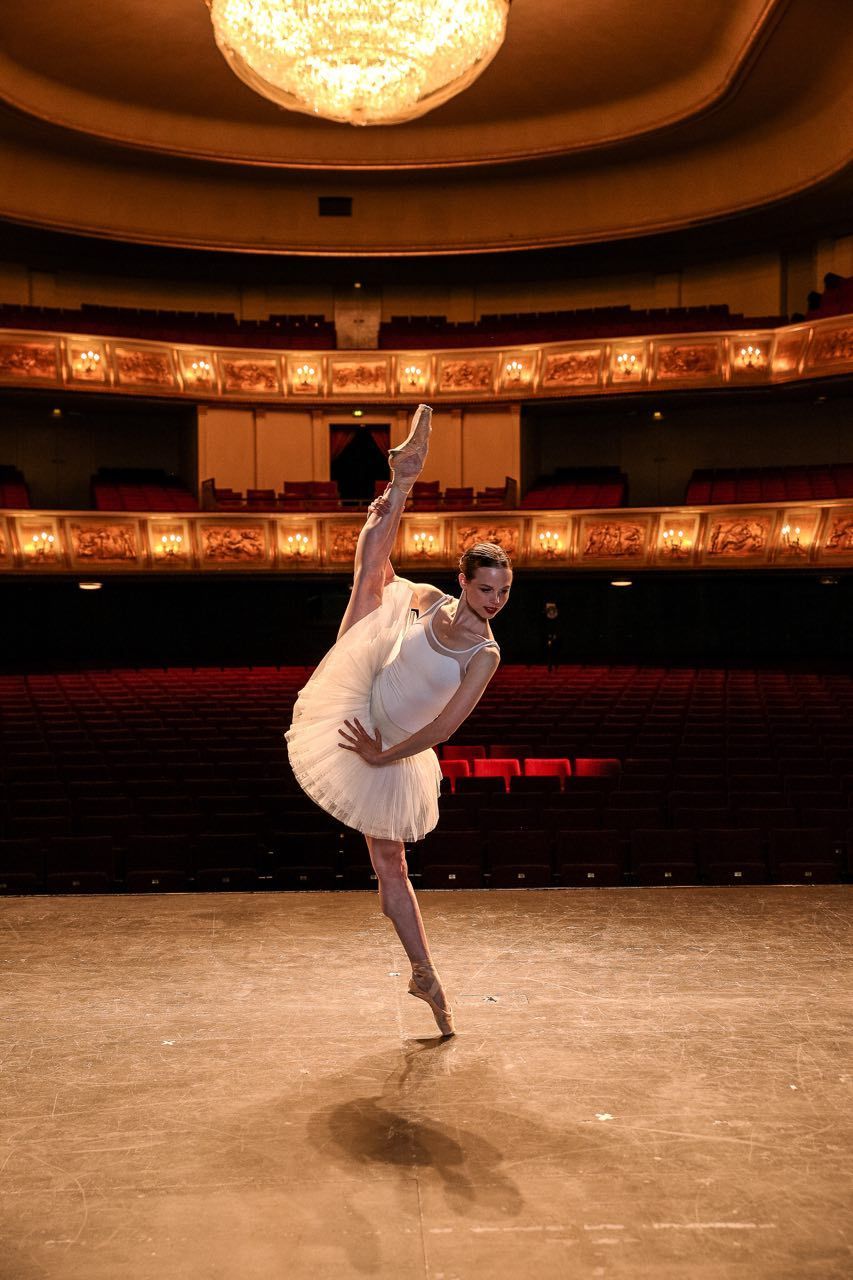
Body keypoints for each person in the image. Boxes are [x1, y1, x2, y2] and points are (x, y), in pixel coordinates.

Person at [285, 404, 512, 1036]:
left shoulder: (485, 654)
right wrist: (381, 526)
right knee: (369, 582)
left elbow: (442, 731)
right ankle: (404, 477)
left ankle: (425, 976)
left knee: (391, 869)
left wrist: (384, 757)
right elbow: (381, 573)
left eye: (503, 592)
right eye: (486, 588)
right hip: (359, 689)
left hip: (389, 742)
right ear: (464, 583)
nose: (494, 601)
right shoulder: (431, 599)